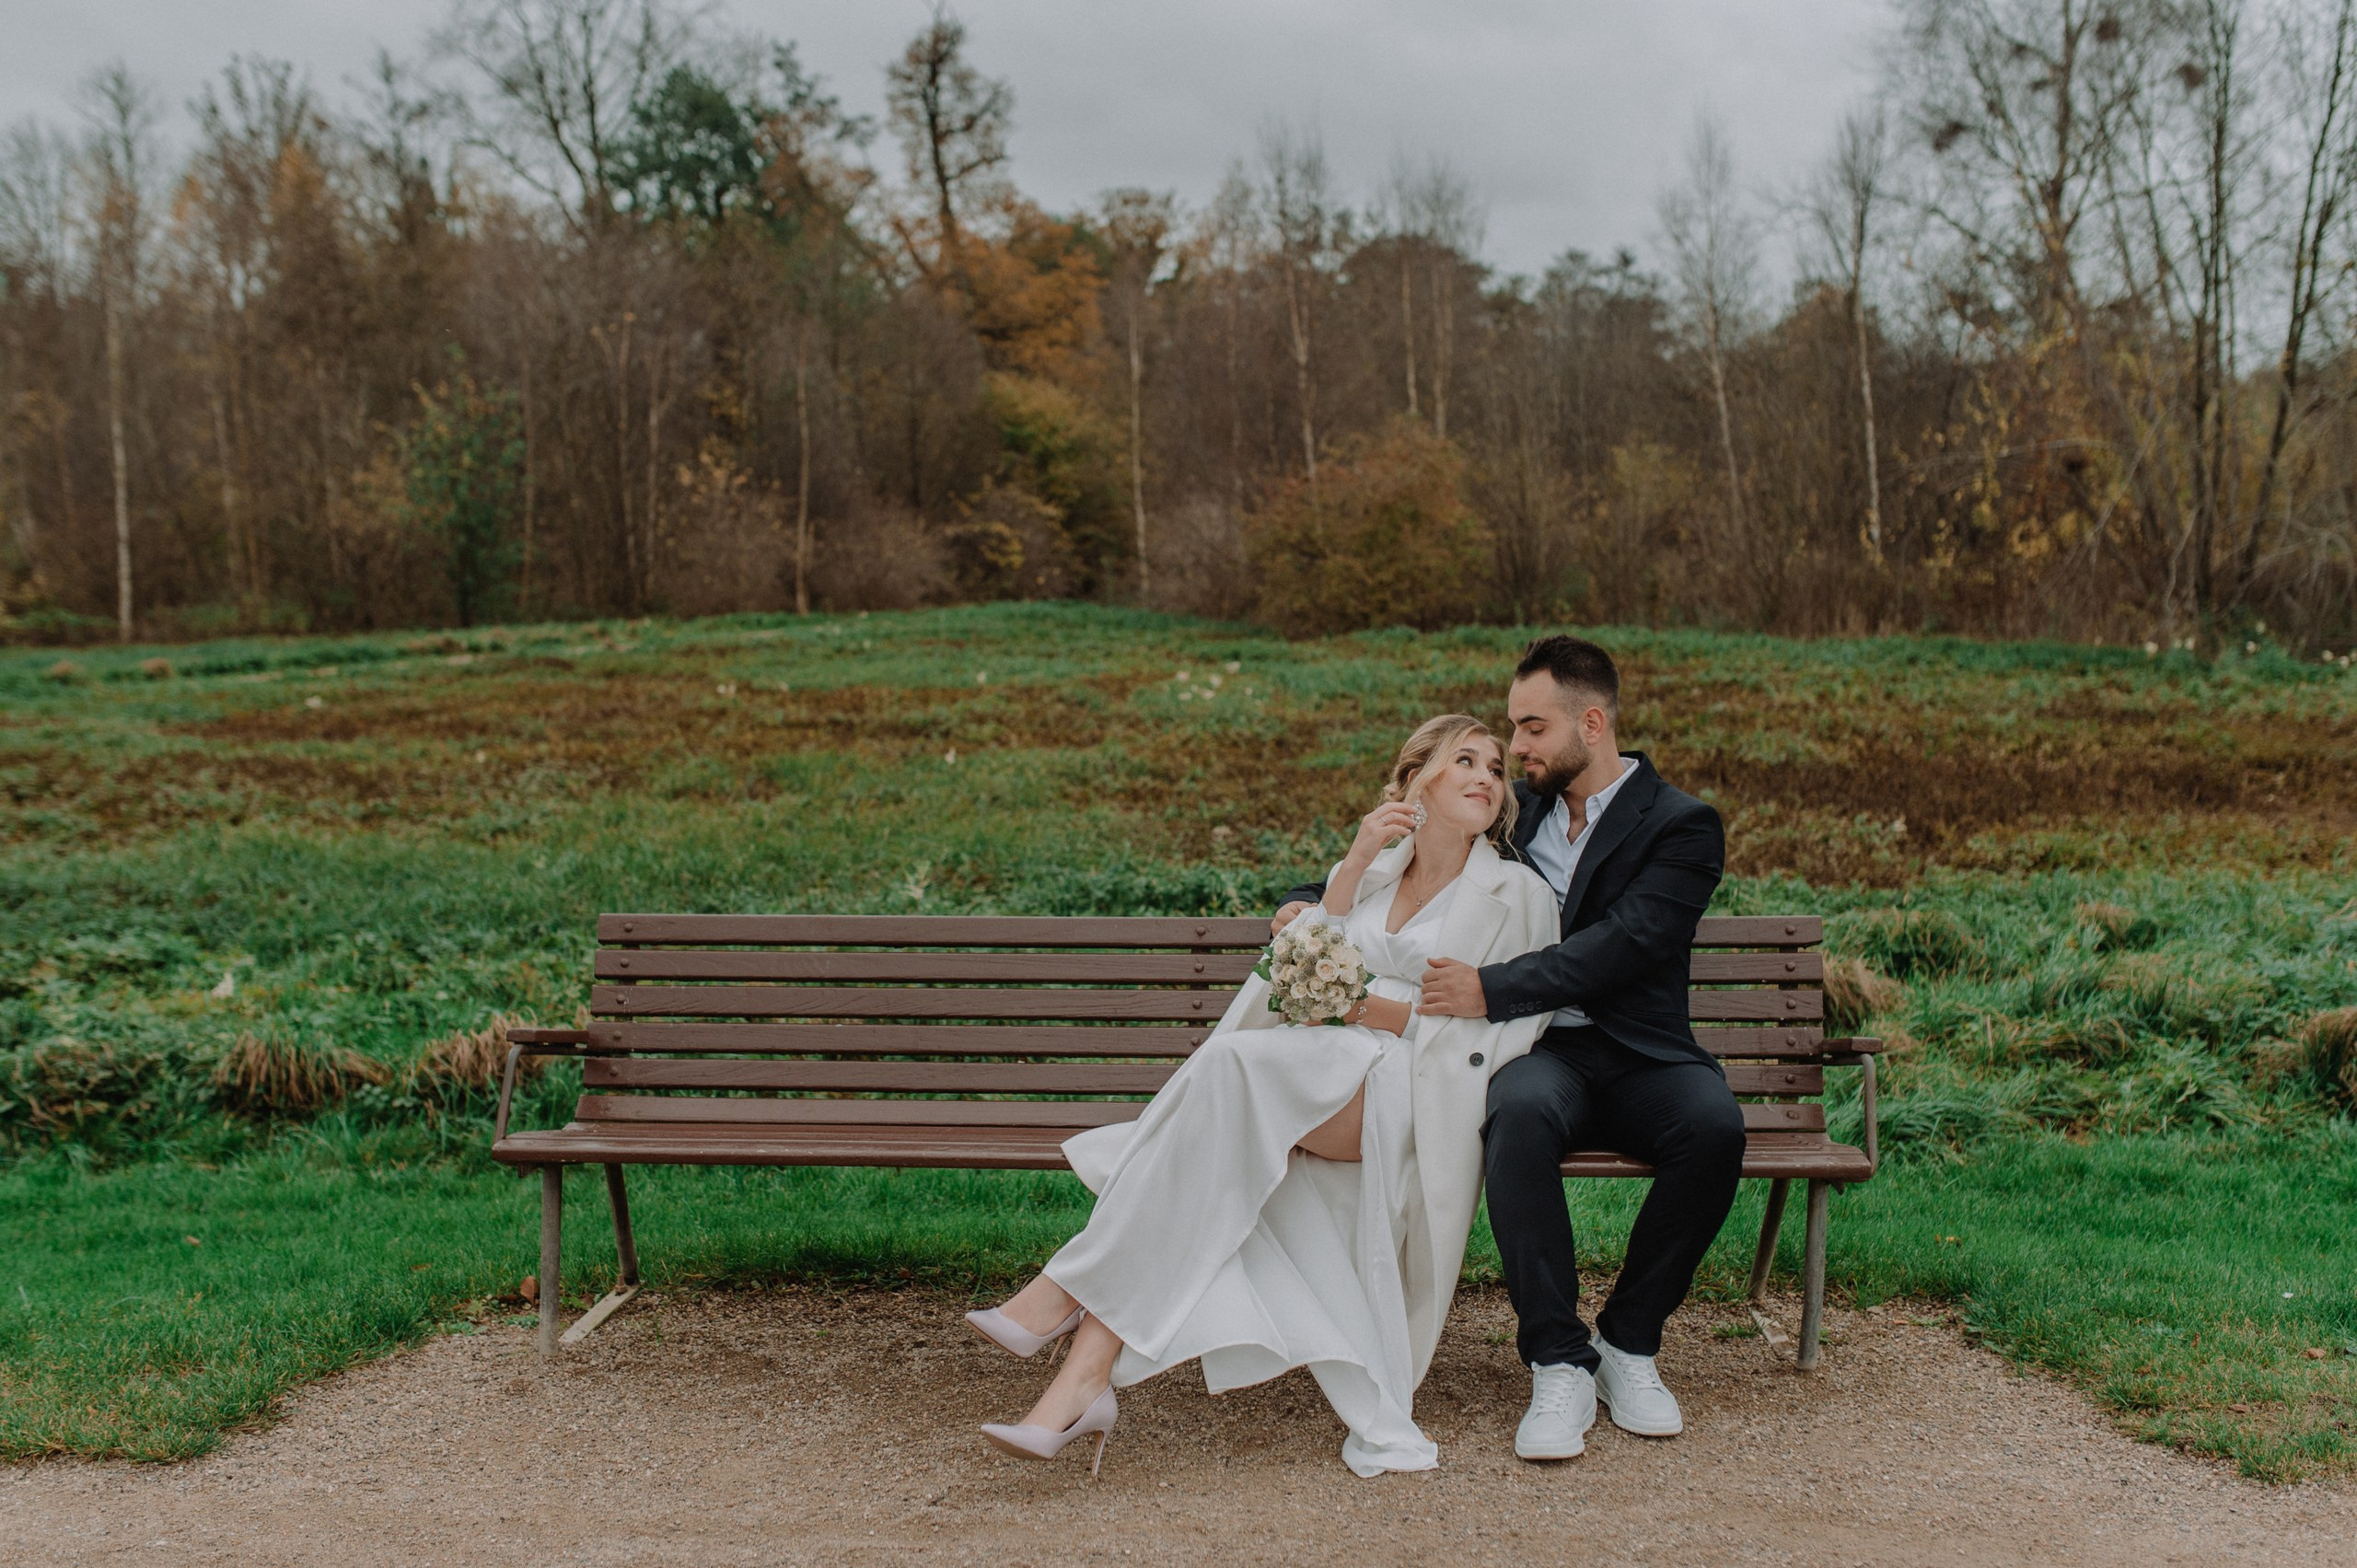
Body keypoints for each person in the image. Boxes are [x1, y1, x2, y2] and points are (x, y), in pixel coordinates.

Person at [967, 715, 1560, 1478]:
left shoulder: (1518, 894)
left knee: (1229, 1072)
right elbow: (1297, 966)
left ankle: (1059, 1291)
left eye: (1496, 767)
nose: (1487, 776)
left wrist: (1365, 1007)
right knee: (1214, 1122)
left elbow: (1503, 1028)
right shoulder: (1378, 872)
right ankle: (1080, 1381)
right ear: (1416, 781)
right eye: (1464, 761)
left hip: (1408, 1090)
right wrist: (1352, 861)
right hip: (1320, 1064)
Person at [1273, 634, 1740, 1463]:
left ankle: (1629, 1342)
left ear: (1589, 723)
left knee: (1714, 1128)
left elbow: (1627, 942)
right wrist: (1305, 901)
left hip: (1641, 1052)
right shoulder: (1519, 821)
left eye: (1531, 728)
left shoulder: (1682, 825)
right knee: (1516, 1112)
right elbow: (1426, 866)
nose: (1516, 747)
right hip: (1534, 1052)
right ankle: (1557, 1358)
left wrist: (1491, 988)